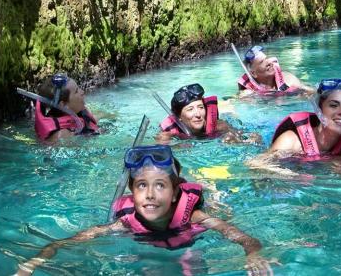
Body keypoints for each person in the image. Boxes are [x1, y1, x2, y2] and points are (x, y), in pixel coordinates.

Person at [16, 145, 274, 275]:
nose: (150, 194)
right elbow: (67, 242)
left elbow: (244, 238)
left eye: (160, 185)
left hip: (187, 243)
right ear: (132, 191)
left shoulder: (195, 218)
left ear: (174, 193)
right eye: (142, 186)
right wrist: (34, 261)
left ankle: (214, 190)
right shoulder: (125, 223)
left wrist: (253, 254)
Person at [249, 79, 341, 166]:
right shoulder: (291, 142)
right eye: (334, 105)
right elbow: (256, 164)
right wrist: (295, 177)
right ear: (319, 109)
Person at [155, 83, 262, 145]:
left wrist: (243, 141)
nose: (198, 114)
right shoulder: (168, 134)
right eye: (190, 109)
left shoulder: (219, 125)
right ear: (179, 117)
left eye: (201, 107)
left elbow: (248, 137)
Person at [33, 74, 99, 142]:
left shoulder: (80, 114)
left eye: (78, 88)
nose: (82, 92)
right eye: (76, 91)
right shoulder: (62, 135)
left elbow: (96, 118)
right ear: (63, 104)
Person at [237, 46, 314, 96]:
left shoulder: (288, 79)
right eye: (262, 62)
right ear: (254, 74)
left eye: (266, 59)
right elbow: (232, 102)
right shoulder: (249, 93)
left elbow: (313, 92)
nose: (269, 62)